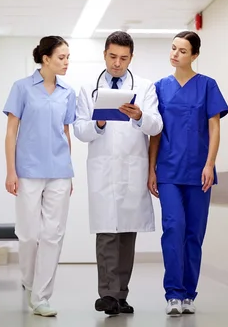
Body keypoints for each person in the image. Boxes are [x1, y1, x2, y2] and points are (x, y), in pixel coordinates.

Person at [74, 31, 163, 315]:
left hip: (132, 168)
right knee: (106, 233)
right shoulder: (88, 88)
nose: (117, 63)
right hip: (103, 169)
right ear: (104, 54)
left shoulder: (146, 87)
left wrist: (139, 116)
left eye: (123, 58)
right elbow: (79, 128)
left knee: (127, 234)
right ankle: (109, 294)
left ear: (131, 58)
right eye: (112, 57)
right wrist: (97, 122)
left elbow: (156, 125)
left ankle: (121, 295)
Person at [148, 31, 228, 316]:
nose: (175, 54)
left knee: (194, 233)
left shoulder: (207, 86)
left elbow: (214, 127)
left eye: (182, 51)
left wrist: (209, 164)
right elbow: (155, 132)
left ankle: (188, 294)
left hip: (198, 171)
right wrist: (151, 169)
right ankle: (173, 294)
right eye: (173, 49)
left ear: (194, 55)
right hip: (168, 171)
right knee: (173, 228)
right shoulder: (159, 87)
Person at [3, 35, 76, 317]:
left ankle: (41, 297)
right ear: (45, 59)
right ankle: (29, 282)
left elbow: (66, 132)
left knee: (53, 234)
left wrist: (69, 172)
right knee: (28, 233)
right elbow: (11, 132)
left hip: (59, 172)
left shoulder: (67, 92)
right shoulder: (21, 88)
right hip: (28, 171)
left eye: (68, 57)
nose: (66, 62)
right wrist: (11, 171)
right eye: (61, 57)